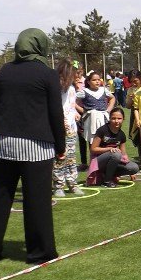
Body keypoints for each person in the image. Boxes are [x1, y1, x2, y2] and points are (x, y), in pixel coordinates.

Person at [0, 28, 66, 264]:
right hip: (36, 145)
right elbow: (56, 114)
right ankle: (39, 252)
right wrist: (60, 145)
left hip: (4, 143)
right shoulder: (47, 74)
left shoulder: (5, 71)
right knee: (37, 201)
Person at [52, 60, 84, 198]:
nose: (76, 78)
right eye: (74, 75)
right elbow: (57, 108)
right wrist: (62, 121)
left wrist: (75, 113)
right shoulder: (56, 89)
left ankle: (72, 183)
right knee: (60, 157)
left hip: (71, 128)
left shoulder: (71, 89)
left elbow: (70, 106)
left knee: (71, 157)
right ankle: (58, 185)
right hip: (60, 129)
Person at [88, 107, 140, 187]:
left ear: (123, 119)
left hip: (113, 159)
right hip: (98, 161)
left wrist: (131, 173)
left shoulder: (122, 135)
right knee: (116, 154)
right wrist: (108, 149)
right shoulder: (102, 130)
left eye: (119, 118)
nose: (116, 121)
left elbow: (123, 154)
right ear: (109, 118)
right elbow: (93, 149)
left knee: (134, 167)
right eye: (113, 118)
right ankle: (107, 181)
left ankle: (108, 175)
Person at [77, 71, 116, 156]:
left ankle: (104, 159)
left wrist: (108, 109)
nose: (97, 81)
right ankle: (93, 162)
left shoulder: (103, 90)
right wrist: (83, 111)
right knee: (92, 139)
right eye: (94, 80)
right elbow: (74, 101)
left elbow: (112, 98)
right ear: (88, 82)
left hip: (103, 118)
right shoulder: (84, 92)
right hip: (91, 119)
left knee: (104, 138)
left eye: (98, 79)